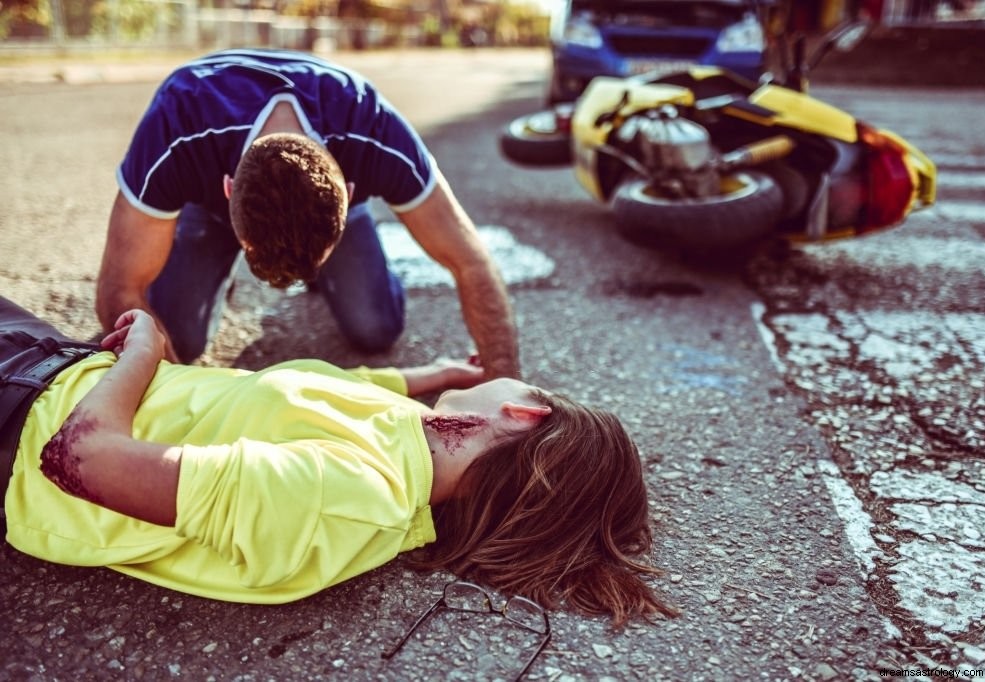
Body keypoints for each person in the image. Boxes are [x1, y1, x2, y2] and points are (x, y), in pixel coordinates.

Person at [1, 297, 674, 625]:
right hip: (58, 363)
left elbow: (81, 461)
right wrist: (429, 373)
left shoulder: (347, 491)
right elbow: (343, 392)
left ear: (526, 413)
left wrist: (145, 355)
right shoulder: (414, 446)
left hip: (23, 417)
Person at [96, 48, 519, 379]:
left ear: (350, 194)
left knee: (375, 329)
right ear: (227, 190)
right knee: (176, 339)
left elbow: (471, 261)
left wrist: (504, 384)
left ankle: (341, 270)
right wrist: (173, 395)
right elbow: (119, 290)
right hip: (206, 210)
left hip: (321, 188)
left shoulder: (374, 130)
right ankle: (218, 268)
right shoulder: (178, 125)